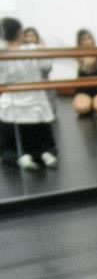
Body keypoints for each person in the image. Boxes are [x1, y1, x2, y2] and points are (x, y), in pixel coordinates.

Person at [0, 17, 59, 170]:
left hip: (11, 102)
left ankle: (20, 156)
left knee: (9, 144)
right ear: (20, 32)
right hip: (35, 101)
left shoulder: (2, 53)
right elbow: (46, 65)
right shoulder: (33, 49)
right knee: (42, 134)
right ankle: (45, 153)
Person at [73, 29, 97, 116]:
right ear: (80, 43)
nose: (87, 41)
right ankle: (89, 103)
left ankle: (96, 102)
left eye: (89, 38)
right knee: (81, 108)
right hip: (83, 90)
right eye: (84, 39)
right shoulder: (78, 56)